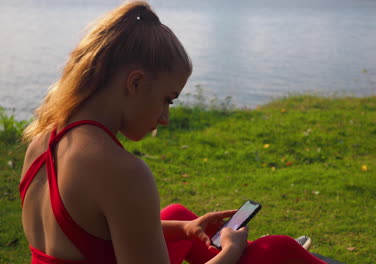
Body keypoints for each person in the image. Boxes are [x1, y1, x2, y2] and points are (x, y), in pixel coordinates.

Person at [19, 1, 327, 264]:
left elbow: (89, 234)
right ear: (135, 83)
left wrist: (184, 228)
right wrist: (230, 254)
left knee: (178, 215)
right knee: (277, 249)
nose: (165, 117)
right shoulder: (122, 171)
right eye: (167, 99)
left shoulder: (41, 143)